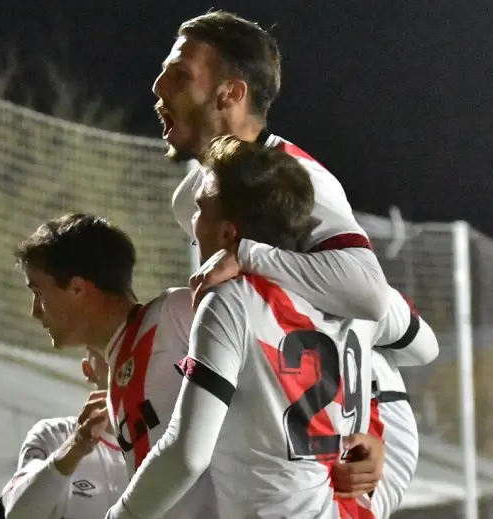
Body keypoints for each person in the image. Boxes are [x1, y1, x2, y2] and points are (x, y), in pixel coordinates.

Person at [153, 11, 437, 515]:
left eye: (180, 74)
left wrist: (248, 253)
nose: (158, 86)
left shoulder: (305, 182)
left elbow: (367, 298)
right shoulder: (191, 198)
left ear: (230, 94)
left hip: (347, 446)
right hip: (301, 435)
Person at [104, 136, 438, 519]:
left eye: (200, 209)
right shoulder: (361, 298)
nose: (192, 224)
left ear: (229, 233)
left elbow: (187, 454)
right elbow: (425, 348)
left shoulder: (232, 300)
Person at [13, 211, 386, 519]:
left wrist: (367, 429)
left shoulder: (176, 312)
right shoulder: (117, 372)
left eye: (37, 291)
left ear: (77, 287)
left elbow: (300, 348)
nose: (34, 311)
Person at [0, 349, 129, 519]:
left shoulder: (160, 447)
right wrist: (76, 446)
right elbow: (17, 515)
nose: (119, 355)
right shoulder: (52, 434)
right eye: (105, 349)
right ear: (88, 370)